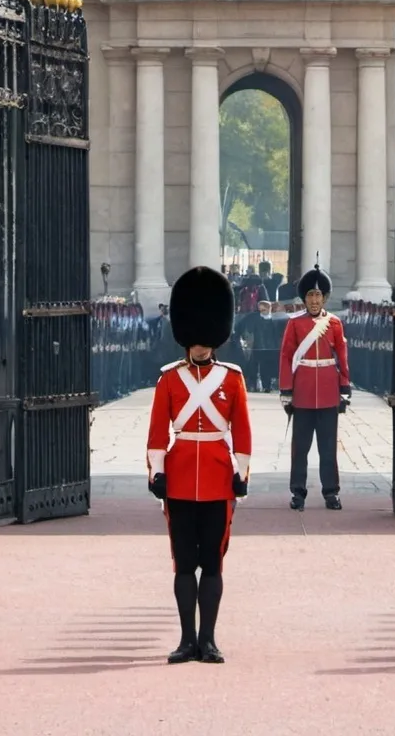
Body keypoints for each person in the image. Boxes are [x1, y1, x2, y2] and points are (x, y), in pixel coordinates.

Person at [146, 267, 252, 665]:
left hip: (217, 478)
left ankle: (208, 638)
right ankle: (186, 639)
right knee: (183, 564)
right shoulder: (169, 381)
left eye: (208, 339)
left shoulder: (232, 379)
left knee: (213, 561)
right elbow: (158, 433)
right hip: (179, 479)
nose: (202, 346)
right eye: (197, 338)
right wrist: (157, 471)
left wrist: (241, 474)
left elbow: (242, 433)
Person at [278, 262, 351, 511]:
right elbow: (287, 356)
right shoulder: (295, 324)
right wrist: (286, 389)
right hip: (304, 393)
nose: (314, 300)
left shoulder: (334, 324)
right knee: (300, 448)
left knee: (328, 449)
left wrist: (344, 388)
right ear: (304, 299)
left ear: (325, 298)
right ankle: (298, 492)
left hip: (329, 392)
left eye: (318, 295)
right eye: (310, 295)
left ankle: (331, 492)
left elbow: (342, 357)